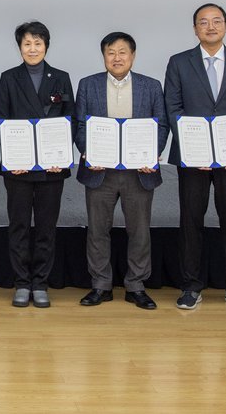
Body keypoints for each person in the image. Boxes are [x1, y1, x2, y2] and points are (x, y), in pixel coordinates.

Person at [164, 3, 226, 311]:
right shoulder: (179, 62)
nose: (211, 27)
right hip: (193, 159)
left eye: (216, 21)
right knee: (190, 220)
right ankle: (191, 286)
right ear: (195, 29)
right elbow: (173, 108)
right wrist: (194, 150)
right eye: (203, 22)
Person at [74, 32, 168, 310]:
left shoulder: (151, 86)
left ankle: (136, 285)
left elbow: (161, 125)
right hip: (99, 171)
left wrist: (152, 154)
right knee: (97, 230)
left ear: (133, 56)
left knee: (139, 231)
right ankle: (100, 285)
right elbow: (80, 125)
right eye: (111, 52)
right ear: (104, 56)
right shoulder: (88, 84)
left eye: (122, 52)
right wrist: (88, 152)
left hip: (138, 172)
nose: (117, 57)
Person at [0, 21, 74, 308]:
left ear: (46, 46)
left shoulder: (61, 78)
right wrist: (13, 157)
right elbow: (0, 120)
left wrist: (60, 156)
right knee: (18, 226)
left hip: (52, 170)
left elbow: (70, 119)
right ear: (20, 47)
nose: (32, 49)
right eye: (27, 43)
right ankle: (21, 283)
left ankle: (40, 283)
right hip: (18, 169)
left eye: (37, 43)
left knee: (45, 228)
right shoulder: (9, 78)